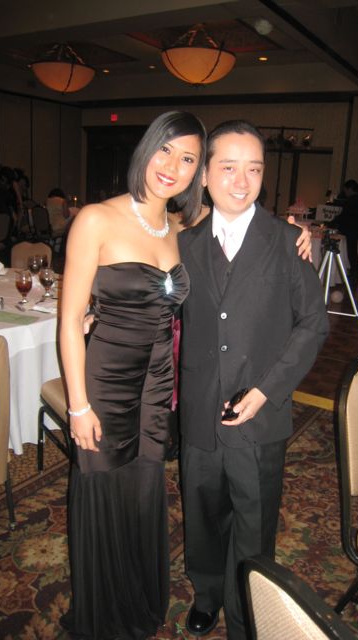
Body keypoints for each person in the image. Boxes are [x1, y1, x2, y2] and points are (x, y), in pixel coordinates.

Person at [177, 120, 329, 640]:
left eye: (254, 169)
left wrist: (267, 390)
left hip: (260, 417)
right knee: (201, 513)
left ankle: (245, 611)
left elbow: (314, 323)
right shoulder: (184, 244)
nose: (241, 182)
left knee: (253, 521)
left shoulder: (288, 241)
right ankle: (206, 594)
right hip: (200, 410)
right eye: (228, 167)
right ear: (204, 175)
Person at [59, 111, 206, 640]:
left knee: (144, 488)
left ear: (197, 172)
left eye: (187, 159)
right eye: (165, 149)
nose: (172, 166)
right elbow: (70, 321)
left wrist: (295, 232)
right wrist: (78, 405)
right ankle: (104, 614)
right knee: (103, 486)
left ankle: (139, 596)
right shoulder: (96, 219)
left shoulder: (184, 226)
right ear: (147, 148)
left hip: (158, 383)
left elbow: (242, 217)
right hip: (105, 379)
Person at [329, 179, 358, 276]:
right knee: (353, 252)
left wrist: (331, 223)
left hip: (351, 229)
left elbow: (344, 216)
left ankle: (354, 272)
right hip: (357, 229)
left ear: (350, 189)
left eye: (346, 190)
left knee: (351, 252)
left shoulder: (351, 201)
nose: (345, 192)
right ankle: (355, 271)